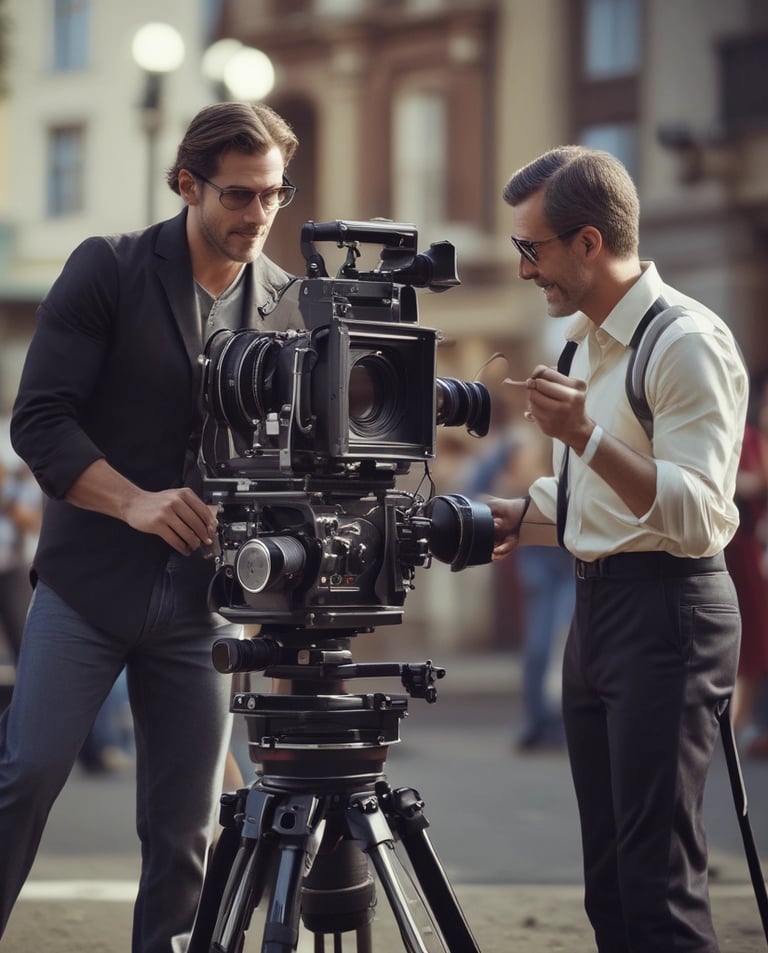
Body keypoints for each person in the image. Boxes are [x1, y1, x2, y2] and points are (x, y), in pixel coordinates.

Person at [0, 101, 305, 952]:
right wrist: (134, 499)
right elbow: (42, 420)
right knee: (25, 776)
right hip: (89, 585)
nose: (257, 216)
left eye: (272, 196)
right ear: (186, 184)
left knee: (186, 829)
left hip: (205, 605)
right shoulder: (108, 268)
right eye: (239, 196)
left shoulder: (287, 305)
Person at [488, 146, 747, 952]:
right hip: (597, 609)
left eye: (533, 248)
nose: (525, 268)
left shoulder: (686, 342)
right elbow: (596, 500)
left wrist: (585, 434)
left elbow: (698, 514)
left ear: (589, 243)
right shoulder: (584, 345)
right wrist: (511, 511)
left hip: (669, 610)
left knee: (657, 882)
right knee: (609, 882)